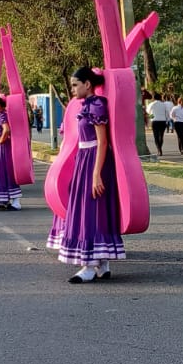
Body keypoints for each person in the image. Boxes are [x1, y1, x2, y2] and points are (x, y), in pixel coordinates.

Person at [55, 67, 124, 283]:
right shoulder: (86, 105)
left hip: (95, 160)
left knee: (90, 210)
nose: (73, 89)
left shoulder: (97, 105)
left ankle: (89, 265)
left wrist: (96, 174)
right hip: (85, 159)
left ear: (88, 84)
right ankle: (102, 263)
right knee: (91, 209)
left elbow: (103, 142)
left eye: (76, 84)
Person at [148, 92, 172, 156]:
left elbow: (148, 112)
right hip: (162, 121)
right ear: (160, 98)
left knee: (156, 136)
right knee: (161, 136)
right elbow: (167, 113)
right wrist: (167, 120)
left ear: (154, 98)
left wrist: (152, 118)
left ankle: (159, 149)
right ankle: (160, 148)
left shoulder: (151, 104)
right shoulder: (164, 105)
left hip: (155, 121)